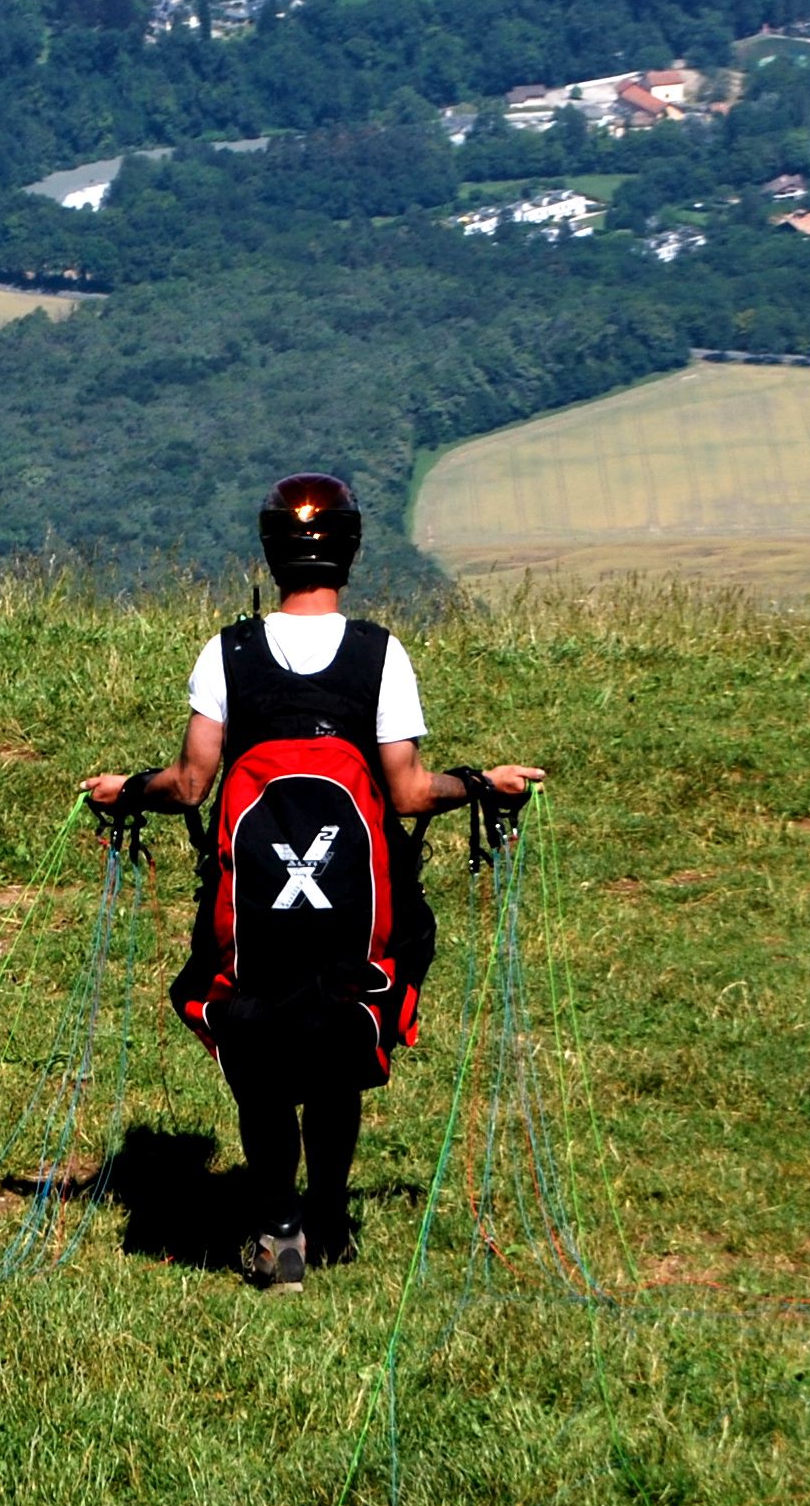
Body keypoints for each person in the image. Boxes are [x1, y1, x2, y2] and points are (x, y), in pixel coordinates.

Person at [82, 474, 544, 1292]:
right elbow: (408, 792)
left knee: (259, 1055)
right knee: (337, 1047)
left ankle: (279, 1228)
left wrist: (129, 790)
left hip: (254, 909)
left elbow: (190, 784)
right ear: (350, 552)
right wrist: (481, 784)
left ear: (271, 553)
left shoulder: (228, 652)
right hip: (354, 908)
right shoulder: (379, 654)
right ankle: (329, 1212)